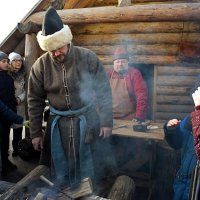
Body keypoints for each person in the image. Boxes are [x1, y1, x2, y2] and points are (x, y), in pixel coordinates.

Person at [28, 7, 116, 191]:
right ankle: (63, 191)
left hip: (88, 120)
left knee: (91, 163)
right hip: (57, 124)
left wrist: (106, 121)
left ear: (67, 41)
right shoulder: (40, 66)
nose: (56, 53)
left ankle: (92, 191)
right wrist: (35, 133)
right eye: (51, 50)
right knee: (61, 167)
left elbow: (103, 92)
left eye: (58, 47)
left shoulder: (87, 57)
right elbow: (34, 100)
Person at [106, 47, 149, 172]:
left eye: (123, 61)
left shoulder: (134, 74)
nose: (120, 64)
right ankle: (111, 169)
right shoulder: (107, 74)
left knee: (134, 146)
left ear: (127, 62)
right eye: (118, 61)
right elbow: (97, 95)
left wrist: (139, 117)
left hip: (129, 117)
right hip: (110, 118)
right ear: (114, 63)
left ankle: (131, 170)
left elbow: (142, 95)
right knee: (106, 145)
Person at [163, 116, 197, 200]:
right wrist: (172, 130)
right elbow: (177, 143)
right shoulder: (190, 120)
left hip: (196, 187)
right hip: (181, 183)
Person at [0, 51, 18, 174]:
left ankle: (5, 162)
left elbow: (11, 97)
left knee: (5, 139)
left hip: (7, 116)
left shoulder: (9, 78)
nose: (7, 64)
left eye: (7, 61)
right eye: (3, 61)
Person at [8, 52, 26, 157]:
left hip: (19, 104)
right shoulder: (6, 74)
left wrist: (20, 98)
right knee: (5, 130)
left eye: (20, 60)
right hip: (7, 104)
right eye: (15, 60)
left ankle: (16, 149)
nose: (18, 62)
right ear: (11, 62)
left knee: (18, 129)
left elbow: (26, 90)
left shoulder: (24, 74)